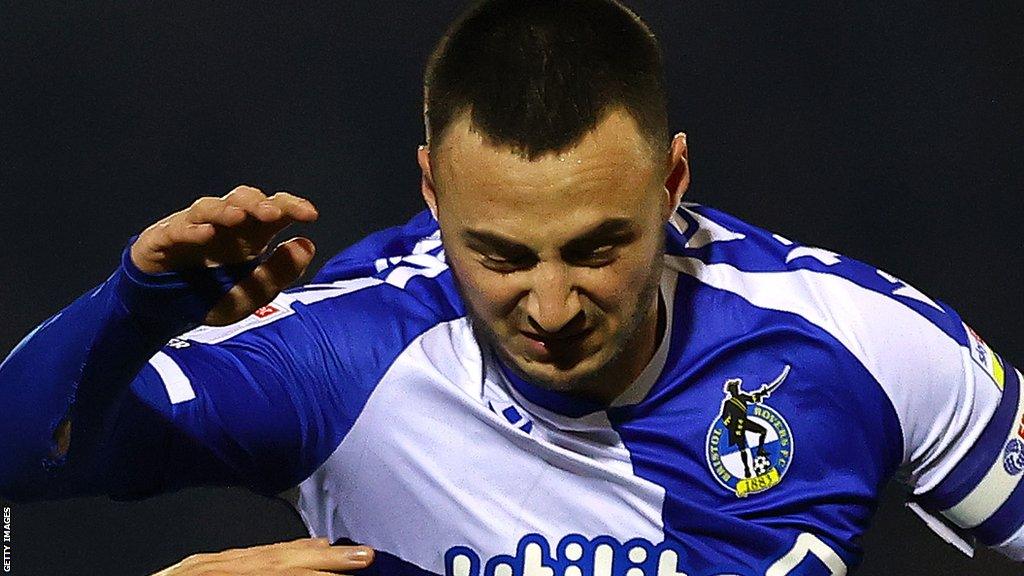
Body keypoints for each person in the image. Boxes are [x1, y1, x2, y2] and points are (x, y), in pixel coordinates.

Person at [0, 0, 1020, 574]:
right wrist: (129, 308)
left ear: (671, 184)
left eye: (594, 249)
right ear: (432, 194)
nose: (549, 306)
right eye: (498, 255)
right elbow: (16, 458)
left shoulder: (862, 344)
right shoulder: (339, 356)